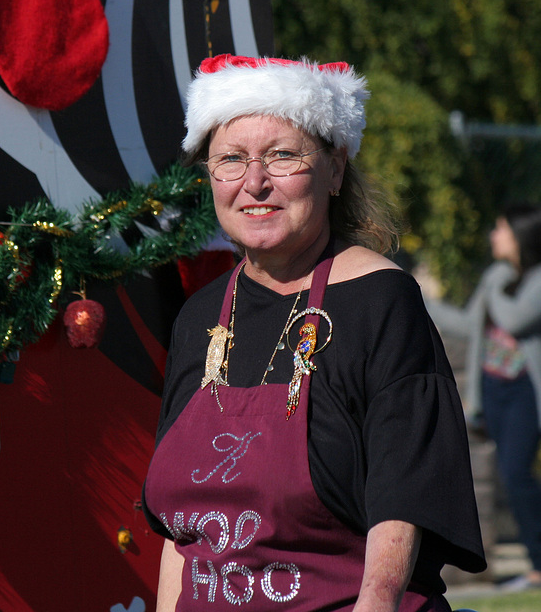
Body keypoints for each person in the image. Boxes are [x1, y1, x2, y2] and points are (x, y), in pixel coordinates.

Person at [143, 54, 486, 611]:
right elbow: (178, 535)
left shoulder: (380, 303)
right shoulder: (199, 317)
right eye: (230, 159)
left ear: (335, 169)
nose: (254, 183)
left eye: (282, 156)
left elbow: (402, 508)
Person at [425, 204, 541, 592]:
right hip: (492, 388)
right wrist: (414, 297)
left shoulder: (536, 280)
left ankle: (539, 565)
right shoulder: (497, 276)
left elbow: (513, 320)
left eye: (501, 228)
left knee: (516, 473)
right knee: (499, 476)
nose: (494, 235)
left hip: (525, 391)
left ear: (521, 236)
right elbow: (468, 325)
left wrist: (495, 287)